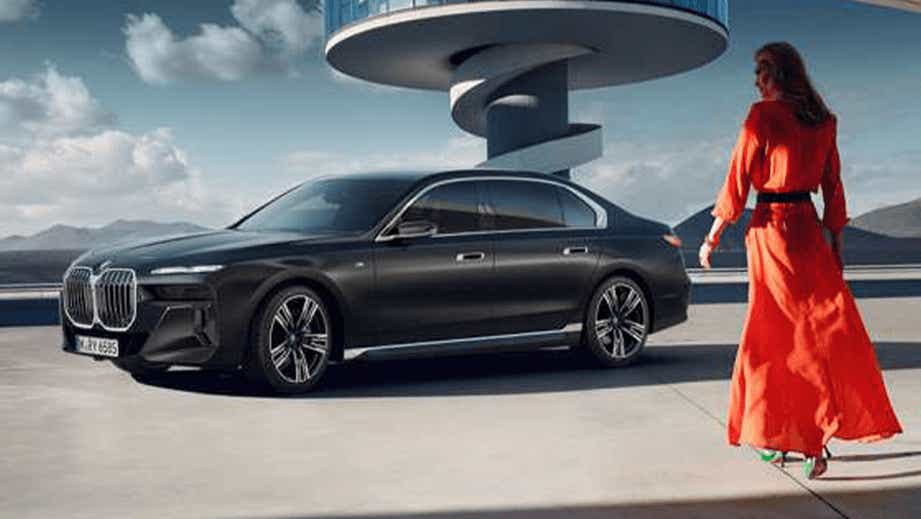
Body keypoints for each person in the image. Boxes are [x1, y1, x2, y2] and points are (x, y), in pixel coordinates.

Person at [698, 42, 902, 479]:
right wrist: (837, 249)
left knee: (773, 337)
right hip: (810, 232)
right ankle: (809, 434)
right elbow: (833, 188)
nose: (756, 82)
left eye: (760, 73)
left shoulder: (762, 116)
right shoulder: (824, 122)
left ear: (776, 75)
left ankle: (789, 435)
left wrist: (712, 236)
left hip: (772, 230)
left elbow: (736, 181)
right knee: (818, 331)